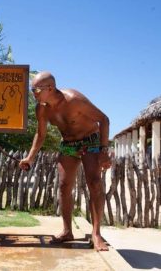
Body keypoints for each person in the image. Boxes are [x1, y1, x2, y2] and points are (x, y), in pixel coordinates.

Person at [19, 71, 111, 251]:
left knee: (94, 183)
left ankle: (96, 233)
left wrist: (104, 150)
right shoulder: (42, 109)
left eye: (35, 90)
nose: (33, 94)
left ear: (50, 88)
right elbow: (41, 134)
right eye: (32, 90)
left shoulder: (74, 99)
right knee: (63, 185)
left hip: (90, 140)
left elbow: (103, 119)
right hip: (68, 144)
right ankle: (67, 230)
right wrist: (30, 157)